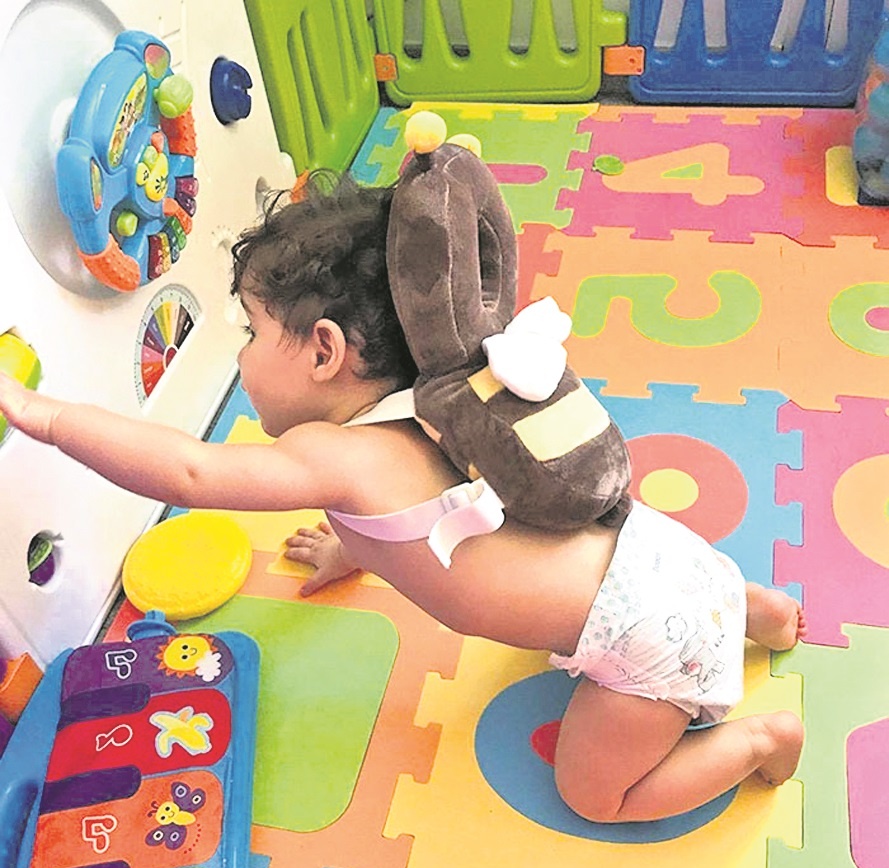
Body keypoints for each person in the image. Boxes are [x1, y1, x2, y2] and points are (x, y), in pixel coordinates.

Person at [0, 175, 805, 824]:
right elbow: (437, 511)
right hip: (661, 555)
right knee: (680, 595)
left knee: (595, 795)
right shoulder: (439, 400)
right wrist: (351, 545)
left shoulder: (335, 454)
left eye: (250, 332)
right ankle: (759, 612)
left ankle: (756, 741)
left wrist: (47, 417)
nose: (240, 357)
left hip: (645, 643)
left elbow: (189, 474)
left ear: (323, 351)